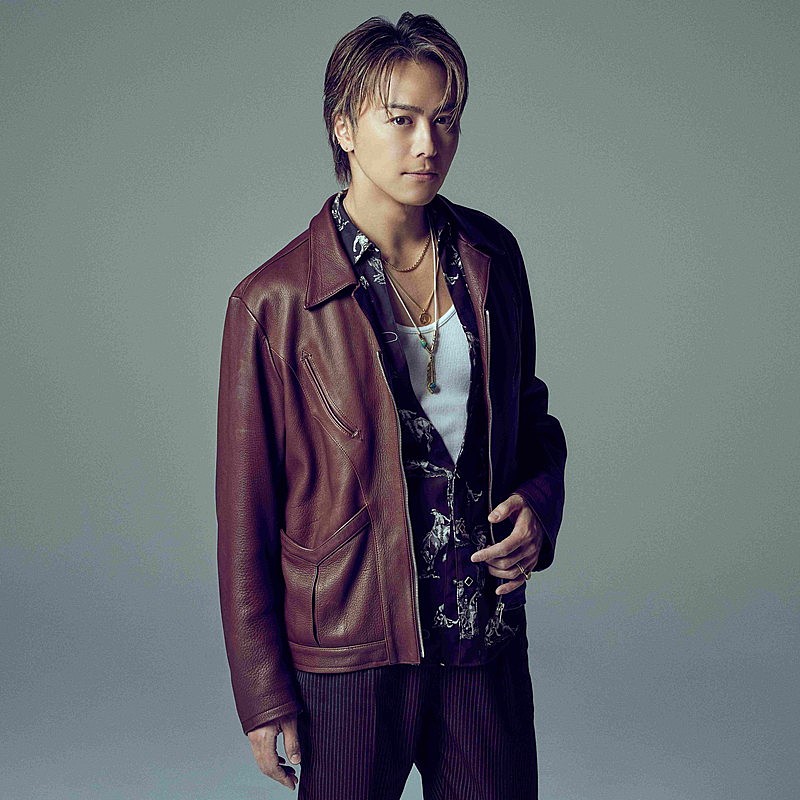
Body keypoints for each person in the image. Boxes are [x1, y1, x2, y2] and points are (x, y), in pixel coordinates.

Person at [215, 12, 567, 799]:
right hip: (350, 654)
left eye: (445, 119)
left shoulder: (491, 259)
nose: (428, 144)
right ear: (344, 127)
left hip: (481, 639)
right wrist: (262, 693)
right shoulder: (274, 302)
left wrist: (540, 509)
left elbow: (532, 422)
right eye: (401, 119)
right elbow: (245, 516)